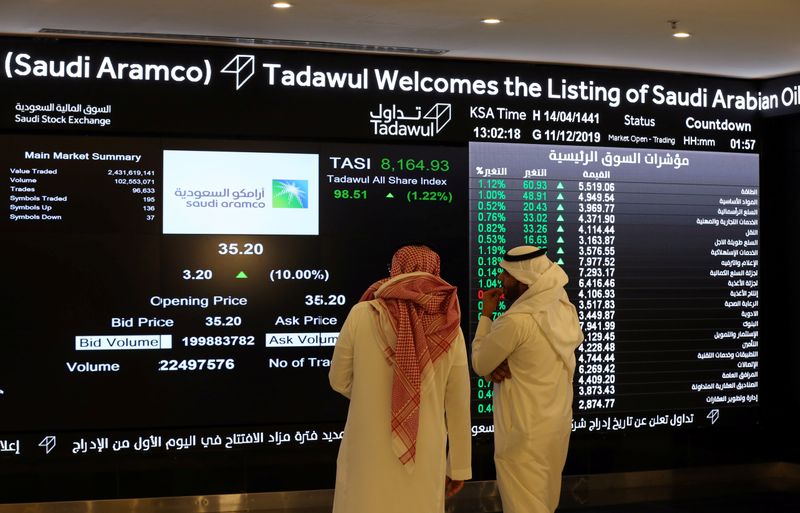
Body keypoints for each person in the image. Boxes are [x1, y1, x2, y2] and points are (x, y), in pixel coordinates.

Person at [329, 244, 472, 513]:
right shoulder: (450, 327)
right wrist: (460, 466)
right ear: (435, 272)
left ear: (395, 270)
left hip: (366, 447)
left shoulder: (362, 314)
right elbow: (458, 402)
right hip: (424, 450)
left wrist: (374, 395)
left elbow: (338, 380)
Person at [471, 245, 584, 513]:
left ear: (524, 282)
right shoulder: (565, 313)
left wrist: (486, 313)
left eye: (506, 275)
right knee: (544, 502)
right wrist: (494, 366)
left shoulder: (516, 322)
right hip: (555, 428)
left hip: (521, 433)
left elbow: (479, 362)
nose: (501, 280)